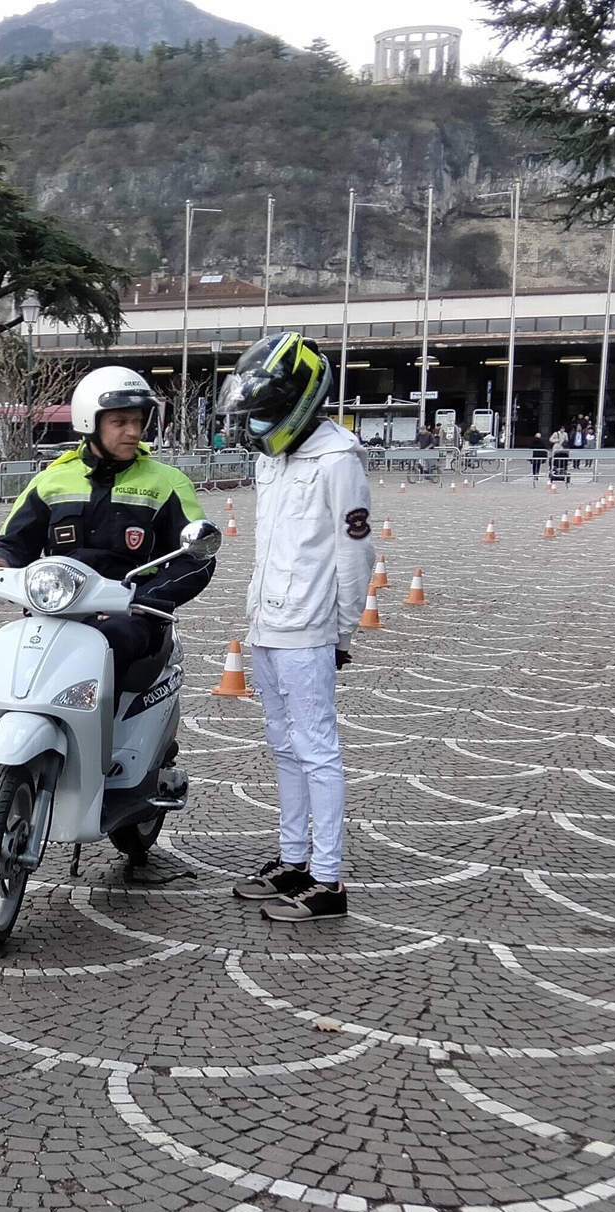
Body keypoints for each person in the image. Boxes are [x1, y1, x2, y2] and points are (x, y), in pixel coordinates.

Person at [0, 365, 216, 879]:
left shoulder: (165, 483)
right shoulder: (51, 479)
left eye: (139, 421)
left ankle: (109, 777)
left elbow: (192, 557)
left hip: (130, 617)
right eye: (121, 422)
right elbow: (13, 540)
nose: (133, 431)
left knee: (107, 649)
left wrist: (148, 598)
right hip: (54, 614)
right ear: (91, 423)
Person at [218, 332, 370, 922]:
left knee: (317, 750)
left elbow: (356, 554)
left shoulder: (338, 460)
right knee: (283, 746)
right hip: (266, 624)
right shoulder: (271, 459)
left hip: (310, 628)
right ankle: (293, 858)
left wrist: (343, 633)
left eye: (266, 409)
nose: (257, 422)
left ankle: (328, 881)